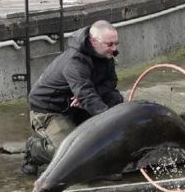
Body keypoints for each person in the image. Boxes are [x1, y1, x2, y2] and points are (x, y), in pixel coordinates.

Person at [22, 20, 124, 175]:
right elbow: (87, 96)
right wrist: (110, 120)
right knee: (71, 155)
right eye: (109, 44)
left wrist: (87, 95)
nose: (114, 49)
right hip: (50, 109)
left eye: (116, 43)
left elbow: (111, 81)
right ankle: (34, 149)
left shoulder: (105, 54)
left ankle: (102, 153)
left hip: (75, 105)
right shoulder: (75, 61)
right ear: (93, 41)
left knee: (115, 99)